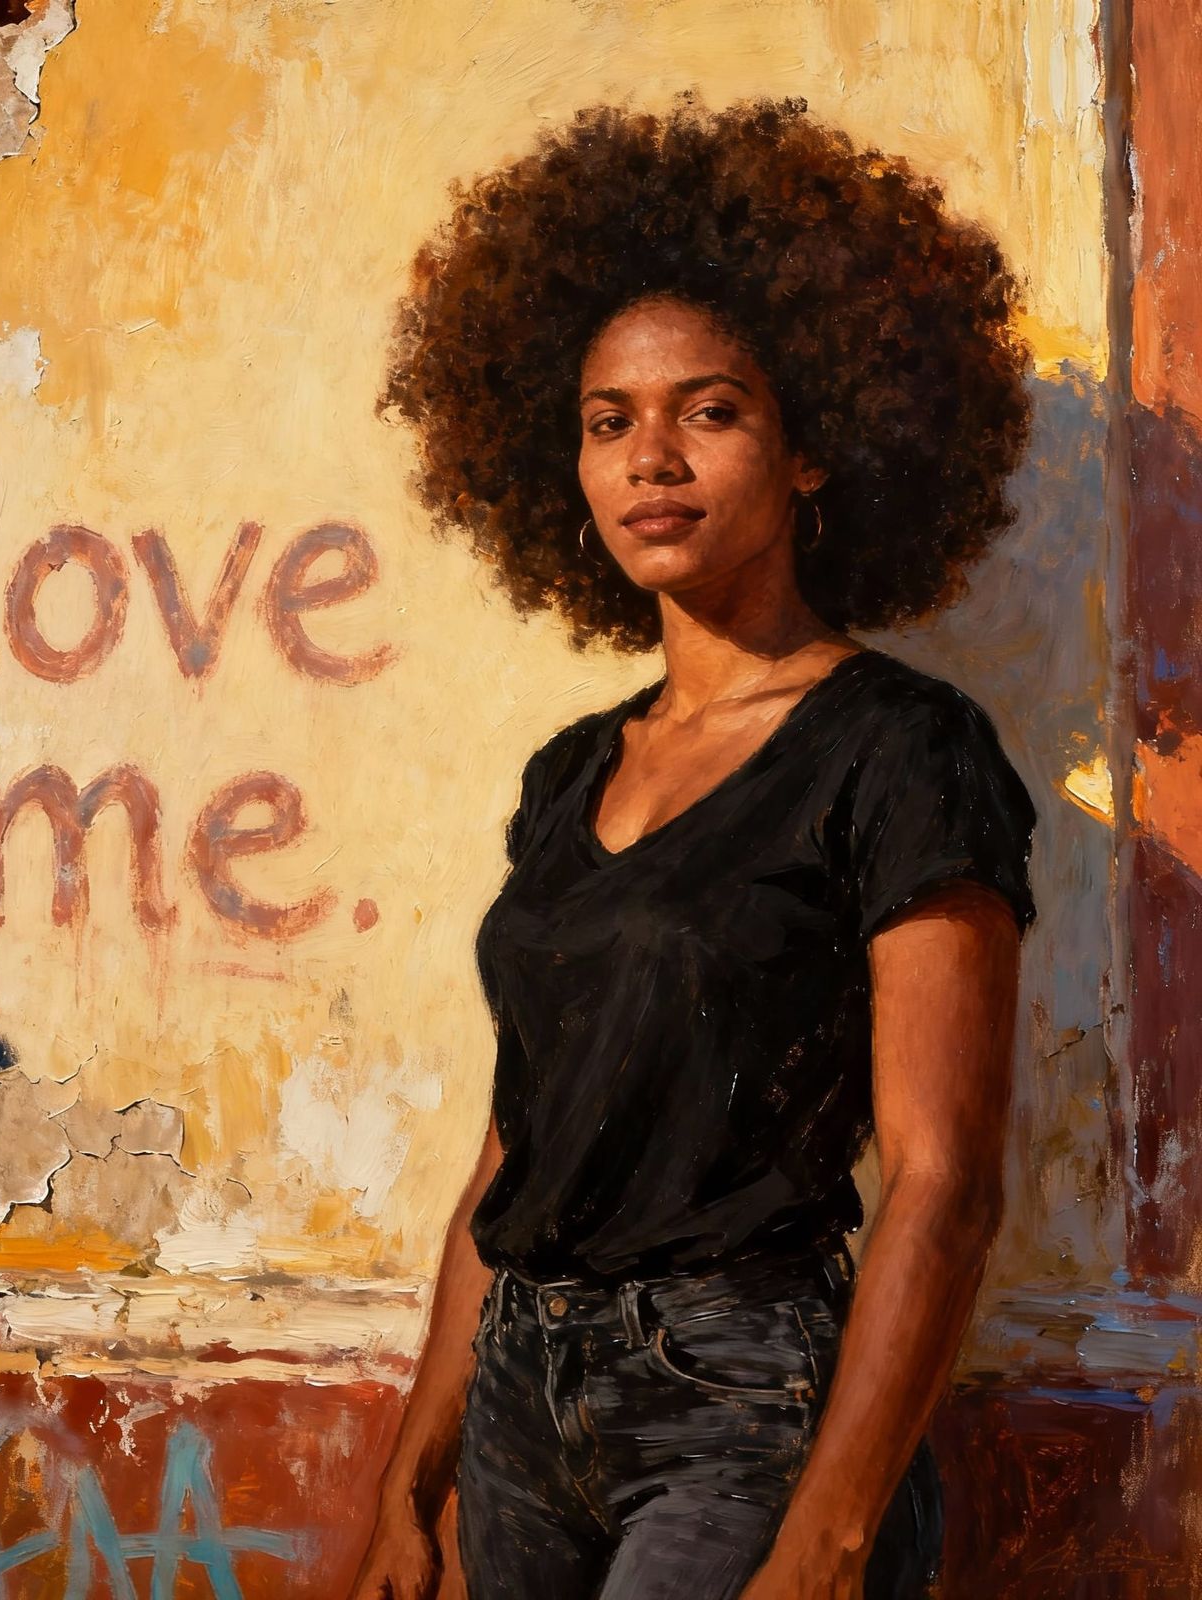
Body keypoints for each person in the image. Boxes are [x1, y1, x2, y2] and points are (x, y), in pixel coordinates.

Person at [348, 97, 1038, 1600]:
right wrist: (414, 1475)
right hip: (525, 1398)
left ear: (812, 450)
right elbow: (518, 1153)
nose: (652, 458)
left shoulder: (902, 752)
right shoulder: (568, 775)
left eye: (710, 412)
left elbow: (941, 1181)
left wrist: (829, 1542)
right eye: (611, 422)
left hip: (747, 1402)